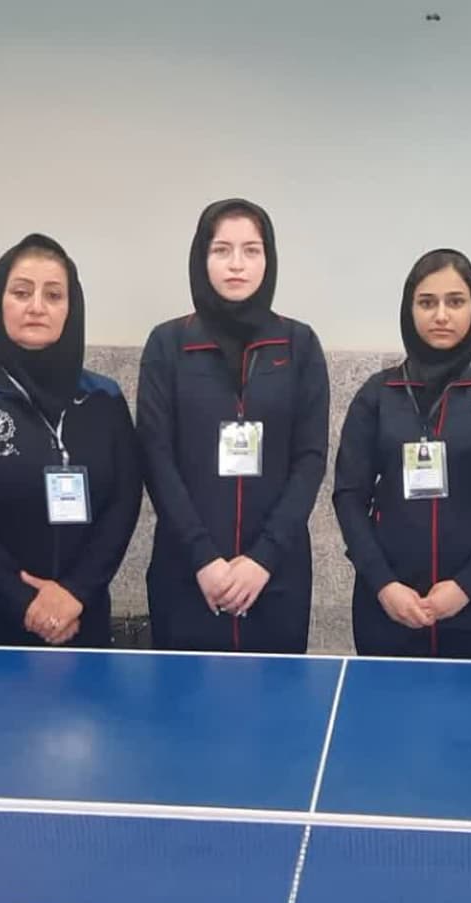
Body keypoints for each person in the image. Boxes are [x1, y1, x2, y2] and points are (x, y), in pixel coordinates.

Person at [0, 234, 141, 655]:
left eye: (54, 295)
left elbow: (124, 501)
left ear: (71, 308)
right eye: (22, 293)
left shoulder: (105, 398)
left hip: (82, 615)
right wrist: (27, 603)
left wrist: (76, 593)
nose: (37, 307)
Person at [137, 199, 329, 652]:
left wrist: (262, 559)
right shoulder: (168, 344)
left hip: (275, 576)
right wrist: (203, 558)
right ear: (201, 258)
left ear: (269, 259)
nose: (237, 264)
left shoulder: (299, 344)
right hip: (188, 574)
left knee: (277, 695)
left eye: (251, 250)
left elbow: (310, 460)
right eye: (221, 250)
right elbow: (156, 457)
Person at [333, 248, 471, 659]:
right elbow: (349, 495)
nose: (441, 315)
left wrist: (467, 586)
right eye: (427, 303)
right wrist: (383, 584)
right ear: (408, 310)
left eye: (456, 302)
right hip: (391, 609)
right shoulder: (378, 394)